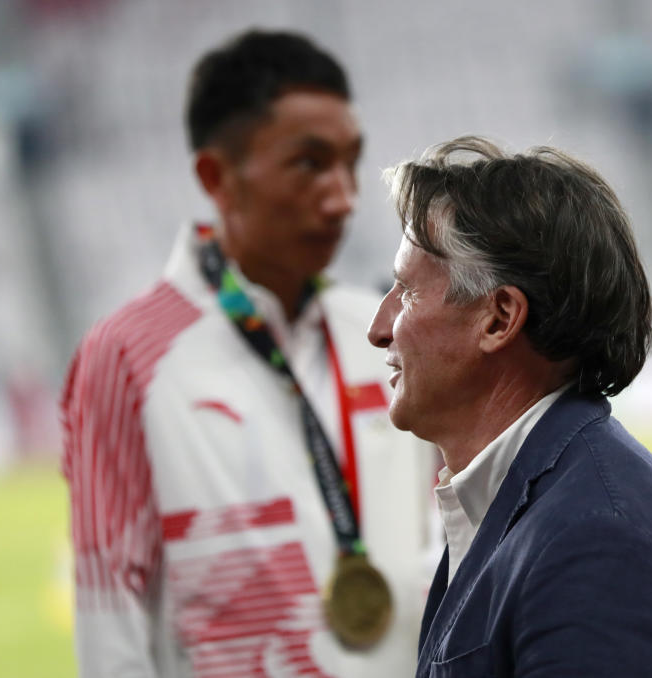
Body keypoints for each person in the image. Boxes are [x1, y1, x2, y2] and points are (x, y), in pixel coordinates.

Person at [60, 30, 434, 678]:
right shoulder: (126, 357)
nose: (343, 196)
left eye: (350, 163)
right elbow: (108, 610)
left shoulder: (384, 333)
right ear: (217, 176)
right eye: (310, 163)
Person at [367, 135, 652, 677]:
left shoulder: (595, 545)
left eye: (406, 292)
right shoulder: (548, 504)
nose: (378, 329)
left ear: (500, 319)